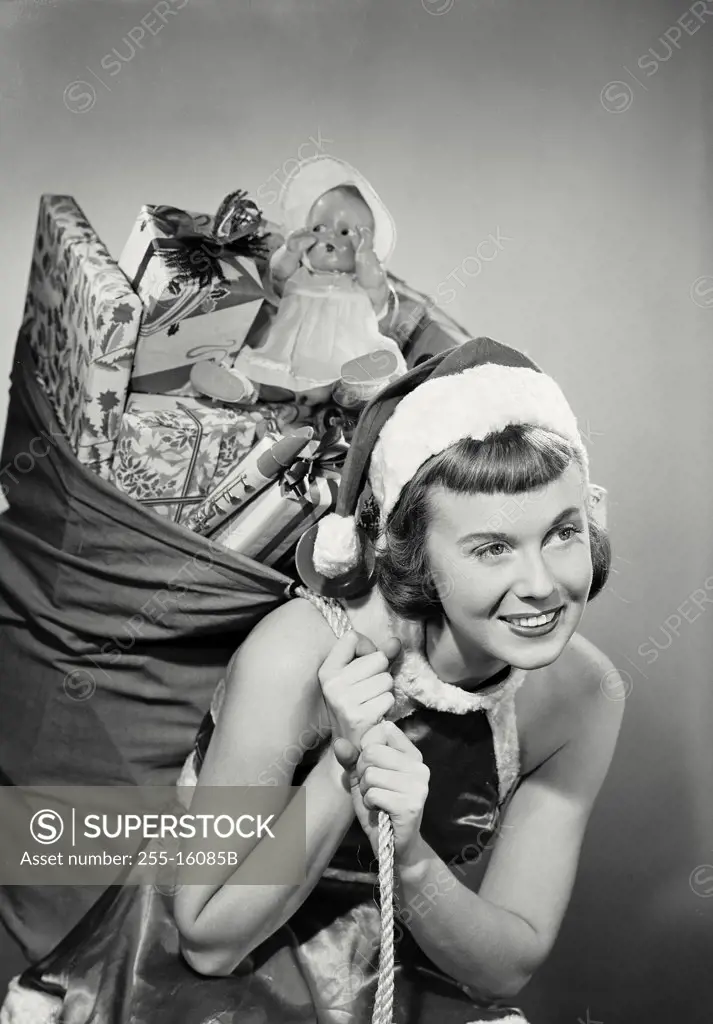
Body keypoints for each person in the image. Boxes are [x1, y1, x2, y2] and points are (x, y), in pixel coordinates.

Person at [1, 337, 624, 1024]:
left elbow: (506, 964)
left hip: (387, 956)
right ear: (412, 556)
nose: (540, 586)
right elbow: (208, 940)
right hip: (210, 967)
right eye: (492, 548)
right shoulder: (299, 653)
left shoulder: (583, 696)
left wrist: (410, 857)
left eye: (562, 533)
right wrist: (343, 772)